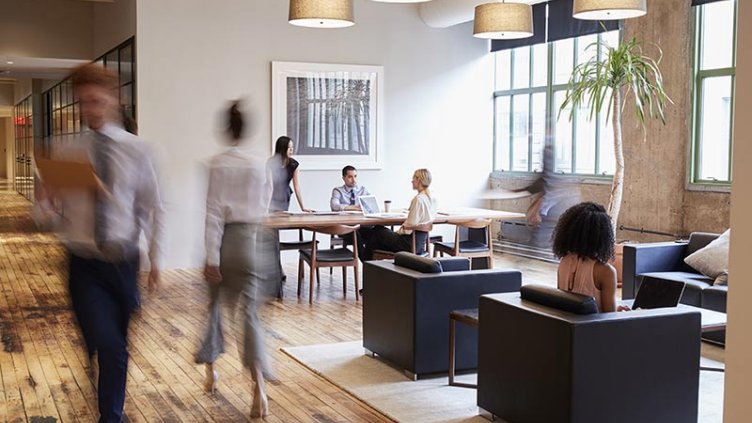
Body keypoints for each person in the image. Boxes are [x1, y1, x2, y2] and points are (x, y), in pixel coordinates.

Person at [33, 63, 165, 422]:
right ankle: (112, 416)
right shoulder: (66, 149)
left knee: (114, 346)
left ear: (114, 98)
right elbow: (44, 217)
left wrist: (156, 260)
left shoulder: (139, 150)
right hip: (83, 261)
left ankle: (109, 404)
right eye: (82, 102)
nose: (88, 109)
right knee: (106, 342)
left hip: (123, 261)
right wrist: (44, 198)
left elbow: (152, 207)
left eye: (94, 100)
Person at [196, 101, 273, 418]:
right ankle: (259, 390)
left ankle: (211, 372)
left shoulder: (217, 164)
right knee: (250, 315)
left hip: (228, 242)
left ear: (226, 129)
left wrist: (211, 257)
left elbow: (214, 213)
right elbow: (265, 204)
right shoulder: (259, 164)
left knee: (214, 307)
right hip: (254, 242)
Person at [551, 202, 624, 313]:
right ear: (603, 236)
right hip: (594, 329)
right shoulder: (606, 272)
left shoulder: (564, 261)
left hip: (568, 327)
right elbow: (610, 318)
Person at [361, 169, 436, 261]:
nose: (412, 181)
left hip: (408, 244)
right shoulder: (432, 198)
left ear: (419, 180)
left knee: (377, 230)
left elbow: (409, 226)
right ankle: (369, 263)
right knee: (375, 240)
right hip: (420, 244)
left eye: (413, 178)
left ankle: (366, 262)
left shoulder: (418, 199)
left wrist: (398, 232)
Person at [268, 136, 311, 213]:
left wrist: (303, 207)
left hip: (284, 195)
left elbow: (296, 187)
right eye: (289, 148)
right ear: (282, 149)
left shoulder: (294, 164)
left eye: (292, 147)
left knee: (281, 218)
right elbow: (269, 186)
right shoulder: (270, 163)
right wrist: (266, 207)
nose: (291, 150)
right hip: (270, 195)